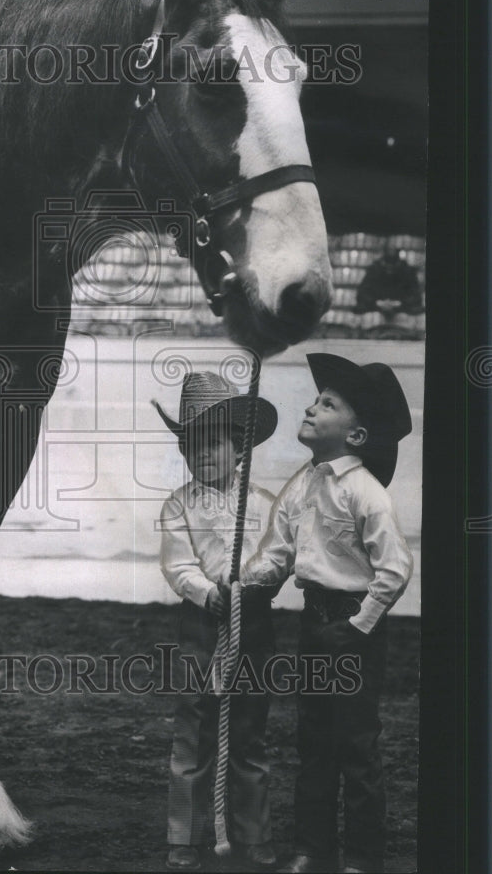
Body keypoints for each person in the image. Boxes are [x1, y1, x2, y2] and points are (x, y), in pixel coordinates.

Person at [241, 353, 413, 874]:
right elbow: (279, 551)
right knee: (312, 740)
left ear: (356, 436)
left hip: (354, 629)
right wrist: (248, 580)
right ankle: (315, 850)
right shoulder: (302, 484)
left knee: (356, 745)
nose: (312, 408)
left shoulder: (366, 493)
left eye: (328, 404)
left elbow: (395, 569)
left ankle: (362, 857)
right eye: (316, 400)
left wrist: (359, 626)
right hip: (313, 624)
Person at [155, 371, 280, 872]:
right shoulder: (178, 505)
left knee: (248, 733)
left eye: (215, 442)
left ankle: (253, 834)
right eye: (192, 445)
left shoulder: (265, 505)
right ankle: (184, 837)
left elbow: (280, 554)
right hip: (201, 629)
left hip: (253, 627)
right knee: (194, 732)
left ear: (240, 448)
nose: (203, 453)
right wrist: (209, 593)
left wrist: (250, 584)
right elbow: (178, 564)